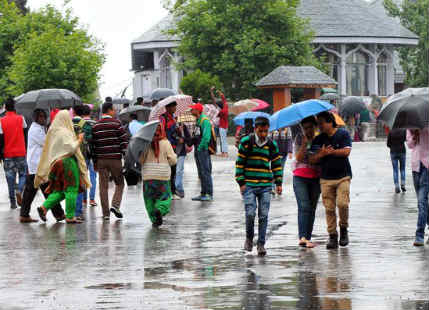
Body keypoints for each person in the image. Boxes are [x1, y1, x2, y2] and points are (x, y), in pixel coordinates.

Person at [235, 116, 283, 256]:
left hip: (265, 185)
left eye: (266, 132)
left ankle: (261, 244)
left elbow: (276, 164)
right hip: (249, 185)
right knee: (250, 214)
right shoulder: (246, 142)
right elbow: (239, 163)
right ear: (256, 129)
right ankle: (249, 238)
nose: (263, 134)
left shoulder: (271, 145)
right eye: (261, 131)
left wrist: (278, 182)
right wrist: (241, 183)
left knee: (263, 215)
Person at [35, 110, 90, 224]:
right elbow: (70, 148)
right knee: (71, 189)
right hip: (67, 163)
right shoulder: (64, 132)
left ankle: (44, 207)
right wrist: (79, 139)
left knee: (60, 190)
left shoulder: (53, 131)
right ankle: (70, 216)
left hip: (56, 164)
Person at [309, 111, 352, 250]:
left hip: (343, 176)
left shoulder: (343, 134)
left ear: (330, 122)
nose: (319, 126)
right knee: (329, 208)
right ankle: (332, 235)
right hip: (326, 178)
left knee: (343, 204)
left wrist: (331, 152)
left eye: (321, 123)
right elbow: (312, 160)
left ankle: (343, 228)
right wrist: (321, 154)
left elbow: (346, 152)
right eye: (318, 124)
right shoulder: (318, 139)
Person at [20, 109, 65, 223]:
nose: (43, 119)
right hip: (36, 165)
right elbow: (46, 143)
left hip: (39, 165)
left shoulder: (39, 128)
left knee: (36, 191)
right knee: (45, 189)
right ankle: (58, 214)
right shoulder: (35, 130)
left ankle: (56, 213)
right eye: (41, 117)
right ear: (36, 118)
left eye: (44, 117)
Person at [92, 102, 129, 220]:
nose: (115, 112)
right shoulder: (117, 124)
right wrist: (125, 157)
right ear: (109, 110)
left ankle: (106, 214)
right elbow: (124, 143)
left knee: (103, 186)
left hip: (101, 160)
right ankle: (115, 205)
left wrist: (95, 162)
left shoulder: (96, 126)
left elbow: (93, 146)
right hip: (115, 159)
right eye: (113, 110)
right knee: (120, 183)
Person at [140, 123, 177, 227]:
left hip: (148, 176)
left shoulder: (145, 143)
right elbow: (173, 160)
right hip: (162, 175)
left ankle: (154, 219)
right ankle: (160, 210)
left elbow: (141, 160)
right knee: (164, 197)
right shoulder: (165, 142)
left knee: (149, 199)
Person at [292, 117, 321, 248]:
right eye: (305, 128)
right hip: (300, 176)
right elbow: (298, 158)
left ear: (315, 127)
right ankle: (302, 237)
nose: (308, 130)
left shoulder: (320, 139)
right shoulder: (299, 138)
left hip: (316, 177)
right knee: (304, 206)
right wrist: (304, 144)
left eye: (310, 127)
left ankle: (307, 237)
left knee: (312, 208)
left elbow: (318, 159)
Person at [0, 97, 28, 209]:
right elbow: (25, 134)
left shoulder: (1, 121)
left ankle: (12, 202)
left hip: (8, 153)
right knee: (23, 175)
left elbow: (0, 140)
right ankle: (20, 190)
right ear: (14, 107)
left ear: (5, 108)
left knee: (10, 178)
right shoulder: (21, 118)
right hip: (21, 152)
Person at [406, 128, 429, 246]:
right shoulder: (411, 127)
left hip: (427, 166)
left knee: (421, 202)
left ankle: (419, 235)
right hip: (415, 166)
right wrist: (414, 136)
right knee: (423, 202)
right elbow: (409, 145)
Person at [72, 104, 93, 220]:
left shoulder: (69, 123)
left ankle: (71, 210)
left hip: (70, 155)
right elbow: (90, 139)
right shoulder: (85, 124)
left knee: (71, 183)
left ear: (74, 112)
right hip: (83, 156)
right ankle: (78, 211)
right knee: (81, 182)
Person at [189, 103, 214, 202]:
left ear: (198, 110)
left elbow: (206, 137)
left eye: (193, 109)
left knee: (206, 172)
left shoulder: (205, 121)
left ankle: (209, 193)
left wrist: (200, 148)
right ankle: (203, 193)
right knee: (201, 172)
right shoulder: (198, 120)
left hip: (202, 150)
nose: (191, 111)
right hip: (198, 149)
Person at [160, 101, 178, 195]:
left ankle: (172, 190)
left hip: (173, 147)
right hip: (166, 147)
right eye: (173, 107)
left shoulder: (174, 118)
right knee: (167, 170)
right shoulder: (163, 118)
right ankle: (169, 191)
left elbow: (174, 132)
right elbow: (162, 132)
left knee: (174, 169)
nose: (175, 108)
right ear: (168, 108)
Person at [270, 128, 293, 196]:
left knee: (280, 171)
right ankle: (272, 187)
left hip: (283, 153)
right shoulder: (272, 128)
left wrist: (290, 151)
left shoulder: (287, 128)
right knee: (273, 170)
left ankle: (279, 187)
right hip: (273, 154)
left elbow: (289, 140)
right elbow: (269, 140)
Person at [82, 105, 97, 207]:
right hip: (93, 153)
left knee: (83, 176)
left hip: (82, 153)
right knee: (93, 176)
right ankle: (92, 199)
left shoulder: (80, 123)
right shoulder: (95, 124)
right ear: (90, 113)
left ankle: (84, 199)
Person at [174, 123, 191, 199]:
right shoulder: (171, 125)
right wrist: (178, 139)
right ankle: (174, 189)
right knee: (174, 172)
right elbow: (170, 137)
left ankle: (179, 189)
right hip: (172, 151)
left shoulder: (183, 126)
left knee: (179, 171)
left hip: (181, 152)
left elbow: (188, 138)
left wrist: (183, 135)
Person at [387, 128, 407, 193]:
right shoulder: (403, 130)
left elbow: (388, 144)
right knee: (402, 169)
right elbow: (405, 139)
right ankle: (403, 184)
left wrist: (392, 146)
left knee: (395, 170)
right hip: (402, 151)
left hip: (393, 152)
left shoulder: (391, 131)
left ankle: (397, 186)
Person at [211, 87, 229, 157]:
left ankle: (225, 153)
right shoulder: (226, 107)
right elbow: (224, 99)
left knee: (223, 140)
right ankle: (224, 152)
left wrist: (213, 92)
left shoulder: (222, 111)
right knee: (224, 140)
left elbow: (218, 114)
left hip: (222, 127)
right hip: (226, 126)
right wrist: (220, 93)